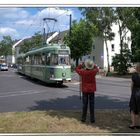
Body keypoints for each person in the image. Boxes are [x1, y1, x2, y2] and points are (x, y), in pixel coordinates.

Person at [129, 62, 140, 129]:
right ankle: (139, 124)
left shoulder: (134, 75)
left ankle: (133, 124)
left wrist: (132, 93)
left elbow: (131, 85)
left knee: (133, 109)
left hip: (135, 93)